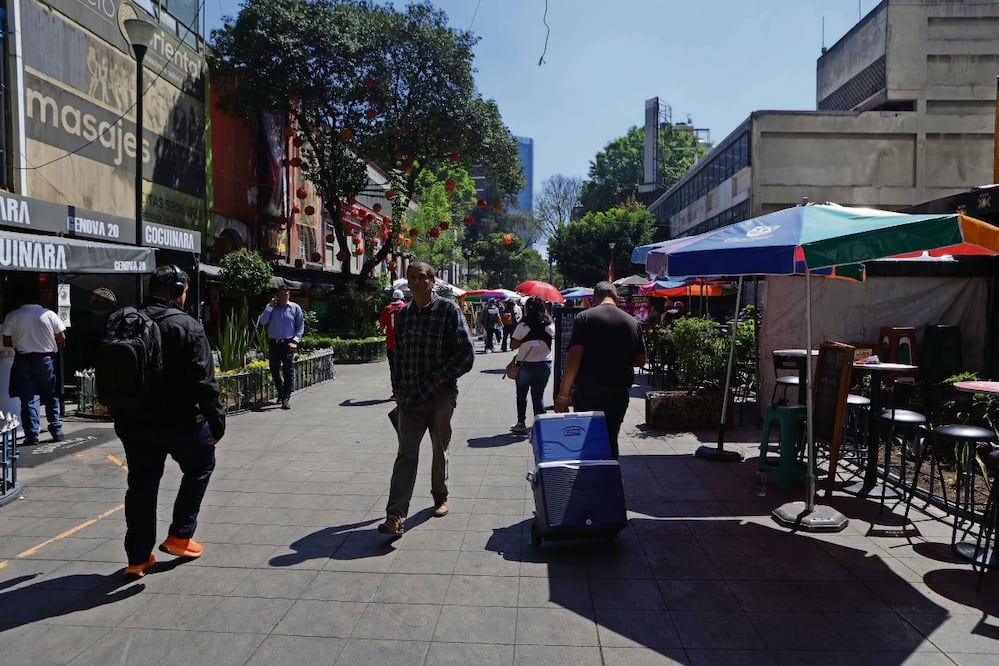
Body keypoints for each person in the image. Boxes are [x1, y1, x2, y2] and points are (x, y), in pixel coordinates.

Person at [111, 266, 225, 577]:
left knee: (141, 484)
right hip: (181, 420)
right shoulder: (186, 325)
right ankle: (180, 535)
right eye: (185, 291)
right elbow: (205, 381)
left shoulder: (126, 320)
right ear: (177, 291)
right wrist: (217, 423)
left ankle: (137, 558)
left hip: (134, 422)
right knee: (200, 465)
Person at [378, 261, 475, 536]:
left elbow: (466, 356)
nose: (417, 282)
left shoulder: (448, 310)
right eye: (412, 278)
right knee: (406, 453)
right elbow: (397, 355)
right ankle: (394, 515)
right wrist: (397, 388)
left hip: (440, 395)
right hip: (409, 398)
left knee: (438, 447)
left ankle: (440, 495)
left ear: (432, 281)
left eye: (422, 277)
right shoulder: (404, 315)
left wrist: (435, 381)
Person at [554, 281, 646, 459]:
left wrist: (563, 393)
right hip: (618, 394)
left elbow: (574, 357)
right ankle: (609, 477)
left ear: (594, 299)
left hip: (588, 392)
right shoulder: (632, 322)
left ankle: (591, 479)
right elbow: (641, 361)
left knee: (588, 440)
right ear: (616, 298)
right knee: (610, 438)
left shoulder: (585, 318)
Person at [2, 281, 66, 445]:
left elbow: (7, 341)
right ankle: (57, 430)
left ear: (19, 300)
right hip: (46, 359)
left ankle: (32, 435)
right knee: (51, 396)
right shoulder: (49, 314)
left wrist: (22, 342)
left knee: (27, 399)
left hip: (23, 360)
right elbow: (62, 337)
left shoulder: (13, 316)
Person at [509, 296, 554, 435]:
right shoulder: (549, 324)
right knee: (538, 395)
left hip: (525, 364)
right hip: (544, 363)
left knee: (521, 394)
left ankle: (521, 423)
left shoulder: (523, 325)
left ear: (527, 308)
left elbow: (513, 345)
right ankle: (540, 425)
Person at [258, 284, 304, 409]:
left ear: (289, 295)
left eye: (286, 294)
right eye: (282, 294)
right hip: (274, 343)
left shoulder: (295, 308)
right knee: (274, 369)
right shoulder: (272, 308)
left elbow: (300, 326)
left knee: (288, 371)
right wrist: (270, 306)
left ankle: (286, 398)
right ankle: (281, 391)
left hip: (288, 343)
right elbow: (262, 322)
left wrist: (295, 341)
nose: (284, 296)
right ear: (277, 295)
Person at [380, 289, 407, 395]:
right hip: (404, 344)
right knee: (404, 368)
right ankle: (404, 390)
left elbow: (382, 327)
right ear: (402, 298)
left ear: (392, 298)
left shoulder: (387, 309)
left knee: (393, 368)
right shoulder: (405, 308)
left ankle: (395, 392)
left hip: (391, 344)